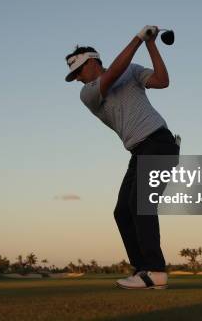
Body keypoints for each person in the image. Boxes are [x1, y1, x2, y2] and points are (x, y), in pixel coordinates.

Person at [65, 25, 180, 289]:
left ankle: (155, 271)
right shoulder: (89, 93)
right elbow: (114, 72)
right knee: (123, 212)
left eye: (78, 71)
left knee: (140, 204)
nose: (78, 78)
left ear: (92, 61)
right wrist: (138, 38)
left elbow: (163, 81)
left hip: (159, 143)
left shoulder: (132, 69)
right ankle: (143, 270)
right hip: (139, 151)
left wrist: (151, 44)